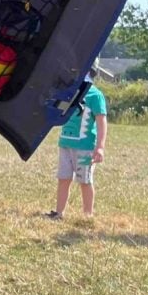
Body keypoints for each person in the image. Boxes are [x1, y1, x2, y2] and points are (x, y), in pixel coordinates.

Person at [46, 77, 107, 220]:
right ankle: (59, 213)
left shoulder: (95, 95)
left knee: (85, 181)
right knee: (63, 178)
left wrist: (100, 147)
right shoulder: (68, 92)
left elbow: (101, 121)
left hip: (85, 147)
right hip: (65, 143)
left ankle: (87, 216)